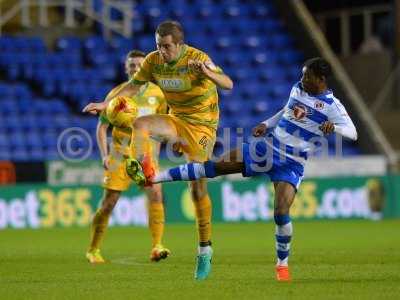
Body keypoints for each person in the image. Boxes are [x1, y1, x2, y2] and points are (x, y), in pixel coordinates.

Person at [127, 58, 358, 281]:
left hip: (292, 163)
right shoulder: (298, 88)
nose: (302, 77)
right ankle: (154, 177)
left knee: (280, 214)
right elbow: (286, 111)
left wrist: (334, 127)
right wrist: (267, 124)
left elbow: (353, 132)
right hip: (268, 148)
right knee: (214, 167)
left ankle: (282, 265)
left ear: (321, 79)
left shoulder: (333, 106)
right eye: (303, 73)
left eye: (307, 75)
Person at [83, 20, 233, 280]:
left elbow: (228, 83)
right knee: (140, 123)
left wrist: (208, 73)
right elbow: (132, 86)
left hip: (201, 128)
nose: (162, 52)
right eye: (158, 46)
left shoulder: (198, 58)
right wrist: (104, 103)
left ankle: (205, 249)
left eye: (166, 47)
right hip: (177, 119)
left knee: (197, 188)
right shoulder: (153, 61)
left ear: (179, 45)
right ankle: (146, 169)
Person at [86, 50, 170, 264]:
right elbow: (102, 128)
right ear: (126, 68)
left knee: (156, 196)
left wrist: (157, 152)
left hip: (145, 157)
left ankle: (157, 246)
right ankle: (93, 249)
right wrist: (105, 155)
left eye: (139, 65)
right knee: (109, 203)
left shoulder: (158, 94)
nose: (135, 68)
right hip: (119, 155)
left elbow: (161, 125)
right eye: (131, 65)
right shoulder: (116, 95)